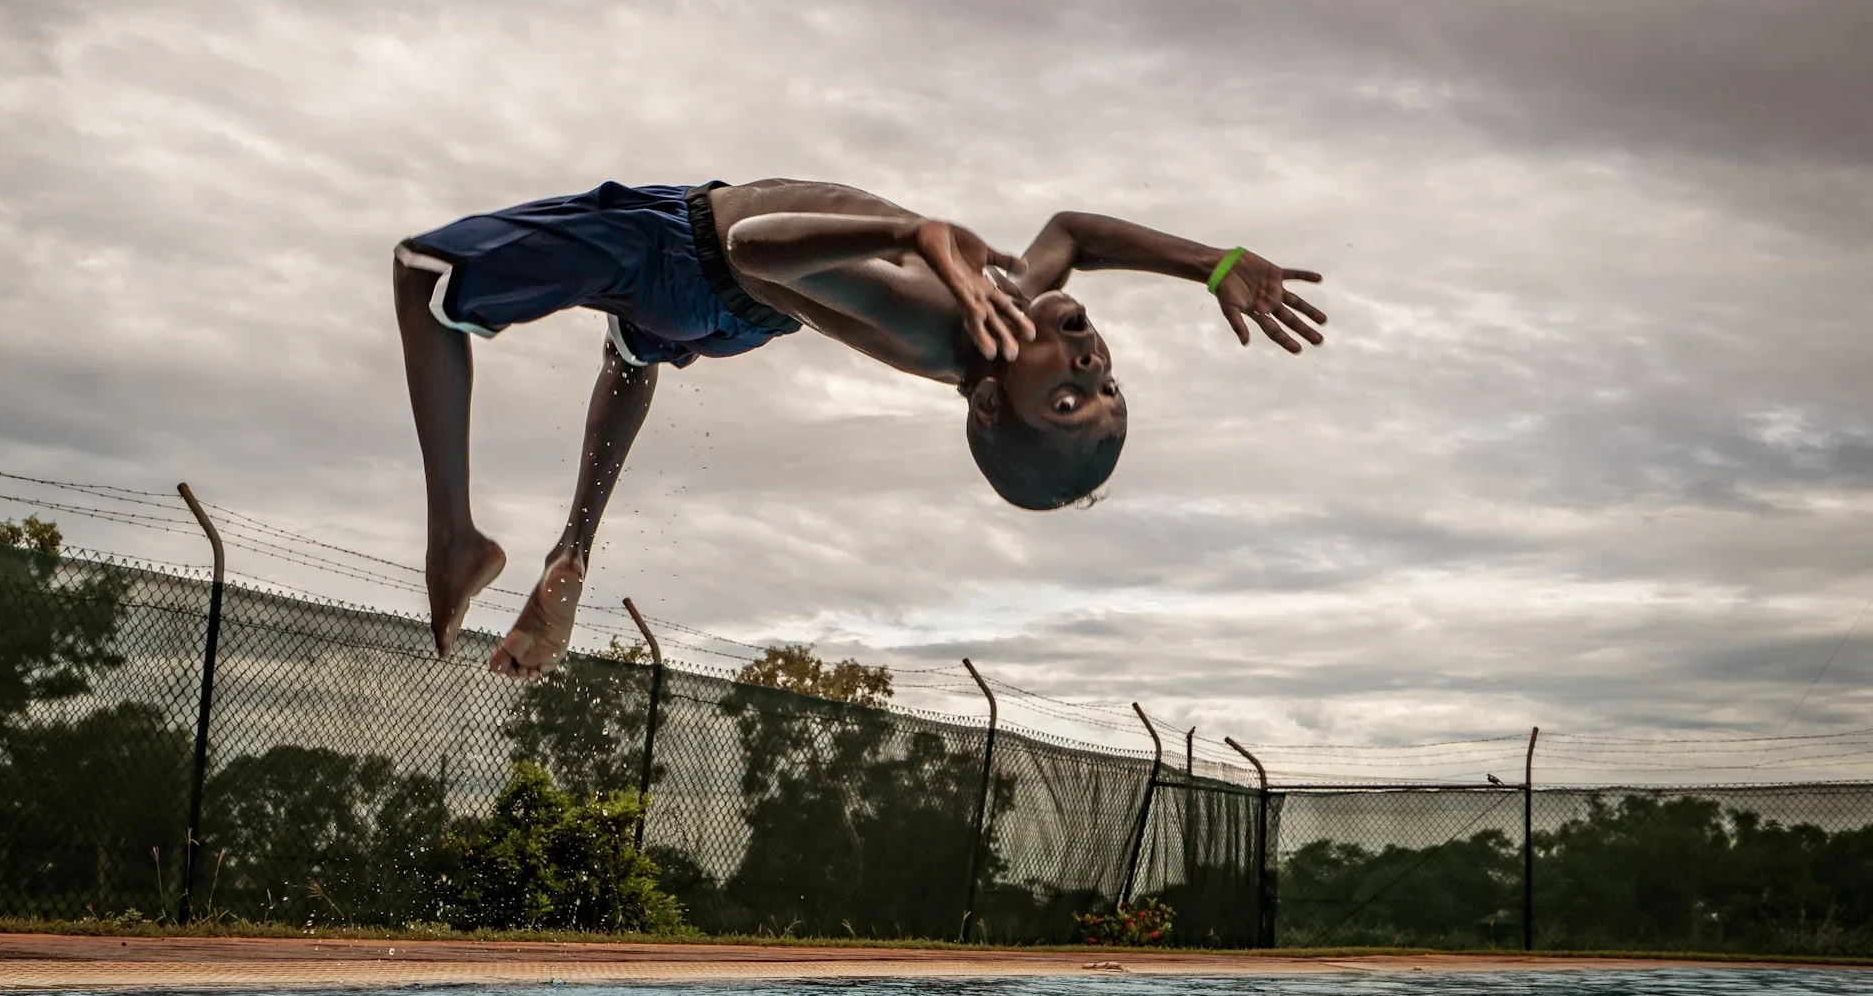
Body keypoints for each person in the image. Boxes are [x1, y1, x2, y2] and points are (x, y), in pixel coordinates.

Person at [393, 178, 1326, 674]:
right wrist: (1210, 263)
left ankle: (455, 538)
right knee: (633, 355)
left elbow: (748, 244)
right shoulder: (1005, 308)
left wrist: (913, 238)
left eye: (1069, 401)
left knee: (425, 273)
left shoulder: (946, 327)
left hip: (682, 249)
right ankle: (575, 545)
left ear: (992, 400)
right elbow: (1074, 231)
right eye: (1107, 384)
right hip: (732, 316)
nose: (1091, 368)